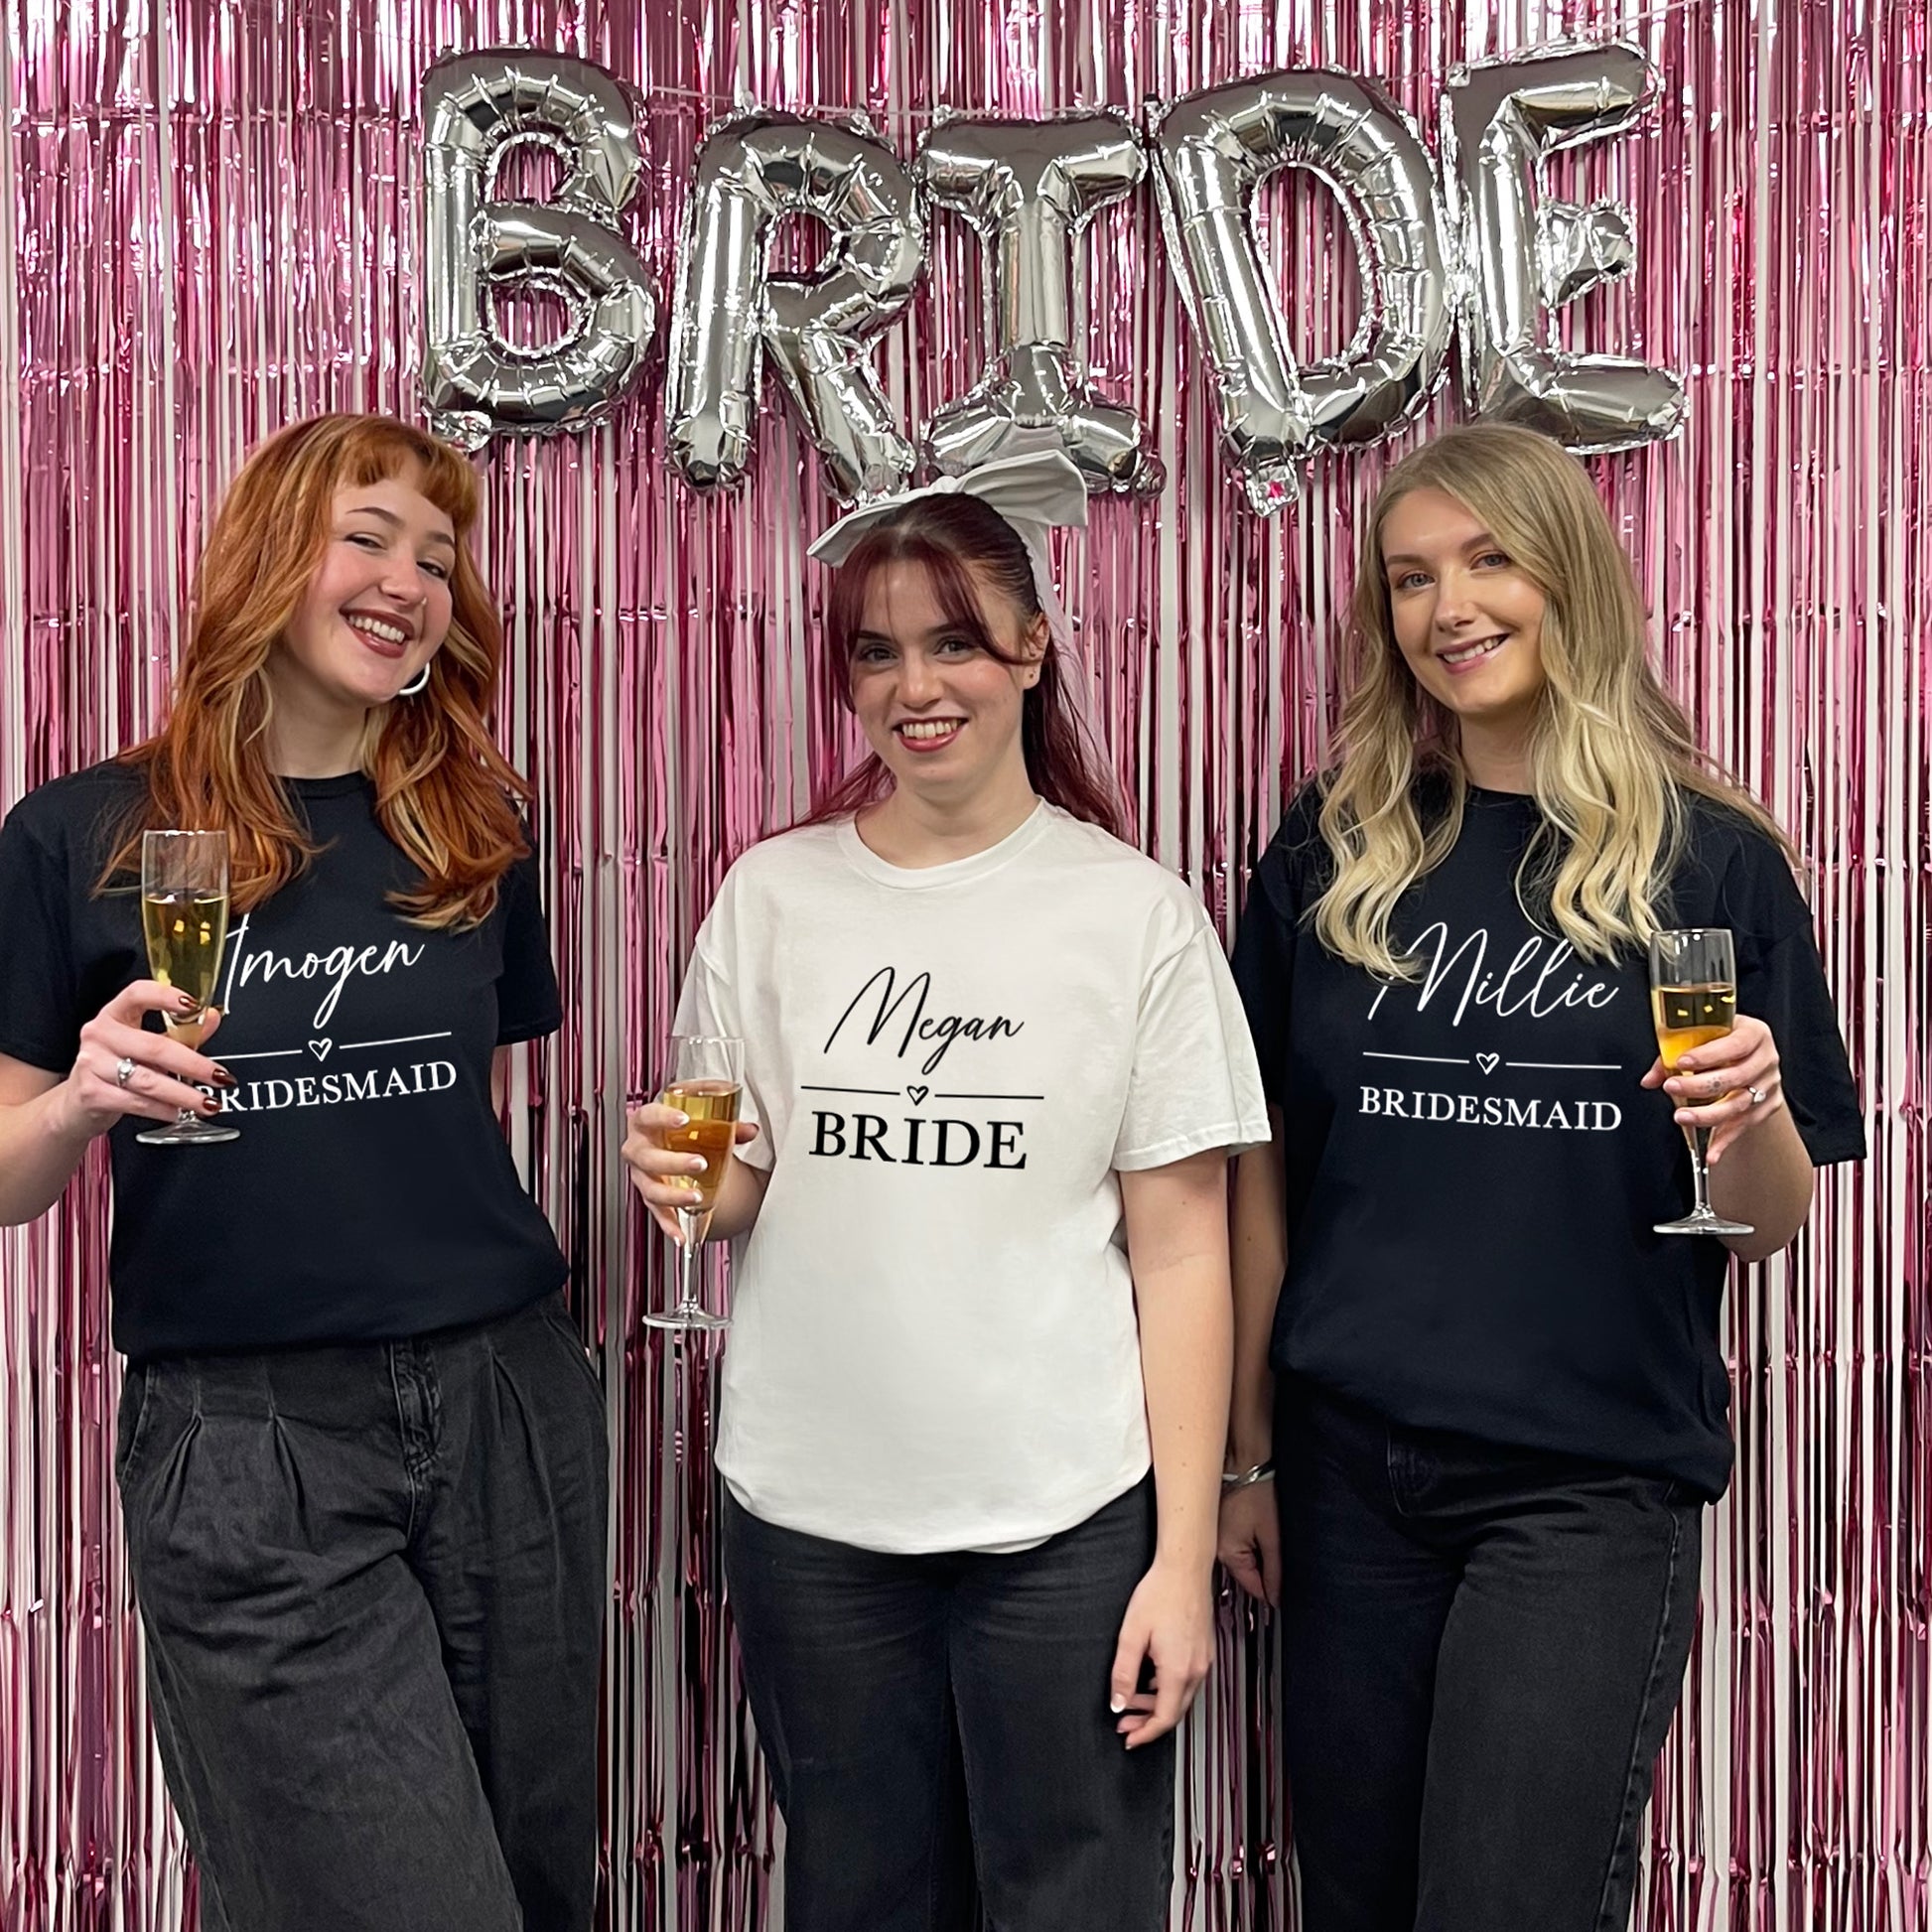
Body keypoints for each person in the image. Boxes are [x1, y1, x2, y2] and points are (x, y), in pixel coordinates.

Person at [1219, 422, 1864, 1932]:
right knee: (1359, 1904)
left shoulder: (1711, 863)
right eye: (1409, 578)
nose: (1449, 606)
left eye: (1488, 558)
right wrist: (1245, 1461)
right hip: (1346, 1476)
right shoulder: (1327, 854)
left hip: (1582, 1483)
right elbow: (1254, 1187)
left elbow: (1764, 1224)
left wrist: (1749, 1110)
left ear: (1566, 572)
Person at [622, 451, 1268, 1932]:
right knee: (859, 1899)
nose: (918, 684)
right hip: (810, 1515)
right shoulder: (770, 895)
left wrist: (1178, 1560)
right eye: (878, 649)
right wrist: (691, 1180)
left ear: (1031, 649)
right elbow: (741, 1187)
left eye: (956, 639)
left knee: (1070, 1901)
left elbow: (1184, 1261)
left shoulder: (1132, 916)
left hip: (1063, 1523)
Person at [0, 414, 607, 1932]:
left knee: (534, 1892)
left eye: (440, 555)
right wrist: (82, 1099)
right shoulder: (84, 833)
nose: (409, 577)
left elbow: (452, 1116)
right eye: (369, 535)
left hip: (504, 1404)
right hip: (251, 1440)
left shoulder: (475, 821)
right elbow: (7, 1175)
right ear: (269, 555)